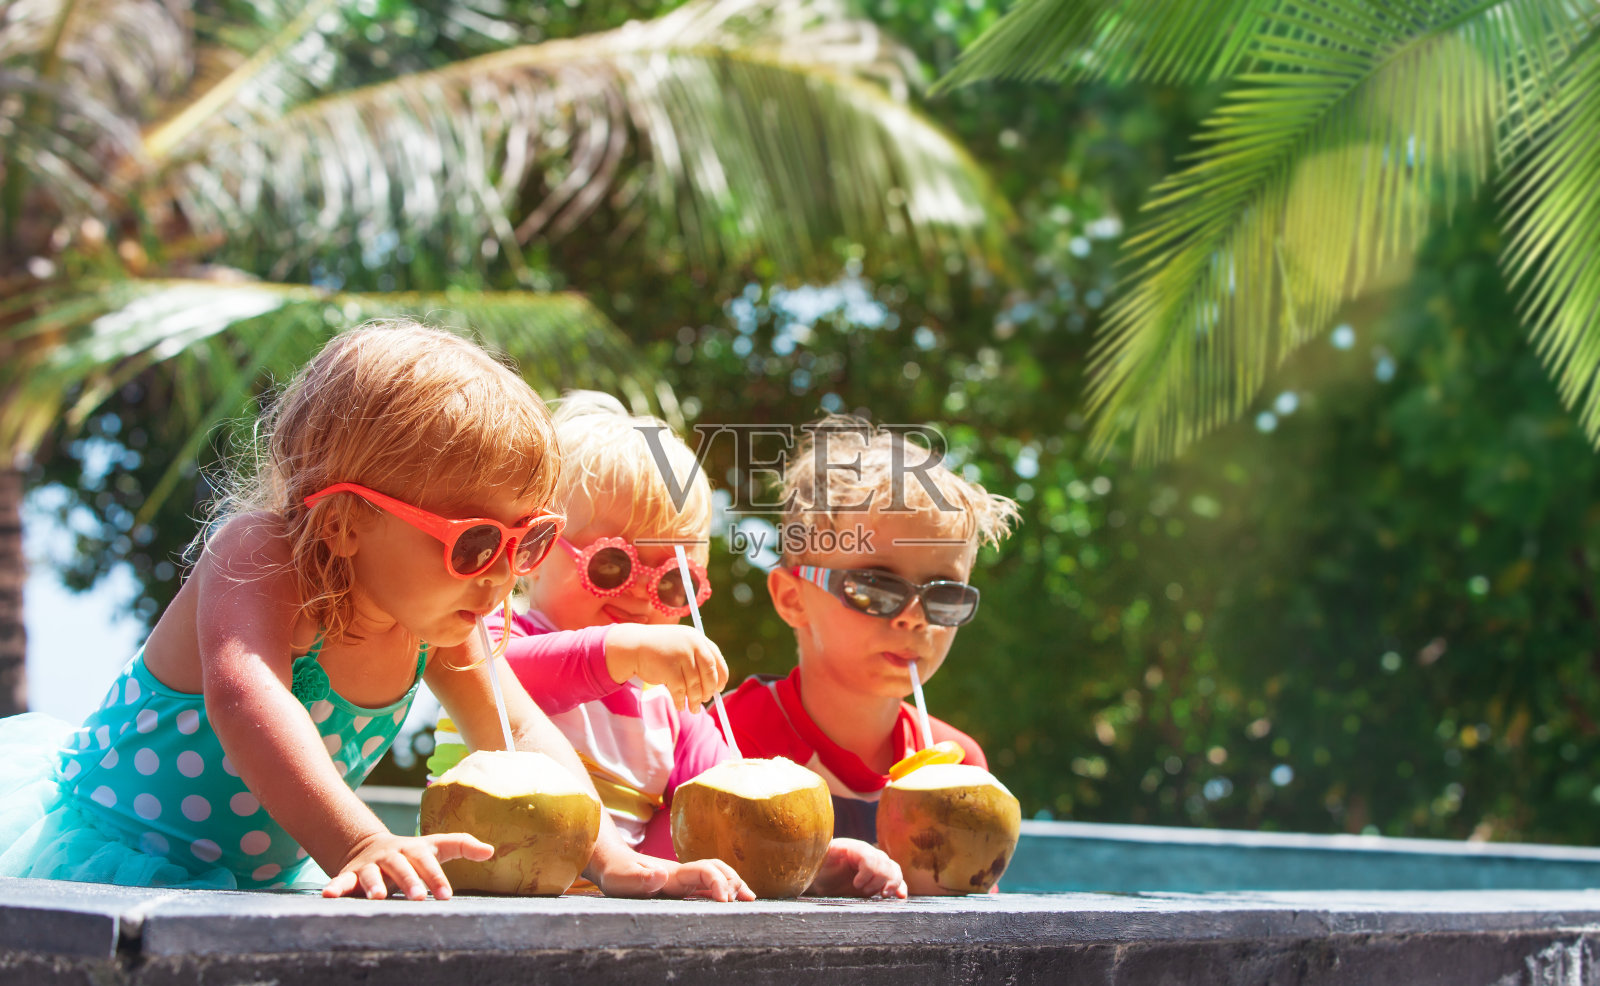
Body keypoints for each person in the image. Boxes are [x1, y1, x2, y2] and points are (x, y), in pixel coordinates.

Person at [0, 323, 748, 902]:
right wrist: (362, 842)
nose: (501, 579)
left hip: (256, 886)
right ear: (348, 522)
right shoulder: (261, 553)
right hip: (116, 860)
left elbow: (519, 731)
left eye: (529, 542)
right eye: (476, 542)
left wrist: (614, 863)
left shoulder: (436, 623)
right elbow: (245, 695)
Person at [429, 392, 905, 897]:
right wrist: (622, 647)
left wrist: (818, 861)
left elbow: (729, 812)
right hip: (477, 887)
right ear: (535, 551)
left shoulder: (670, 708)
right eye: (611, 565)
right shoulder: (497, 636)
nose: (642, 594)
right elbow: (505, 688)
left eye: (672, 583)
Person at [719, 416, 1020, 844]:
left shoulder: (958, 769)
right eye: (875, 587)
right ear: (793, 599)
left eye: (944, 596)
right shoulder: (728, 741)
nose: (915, 616)